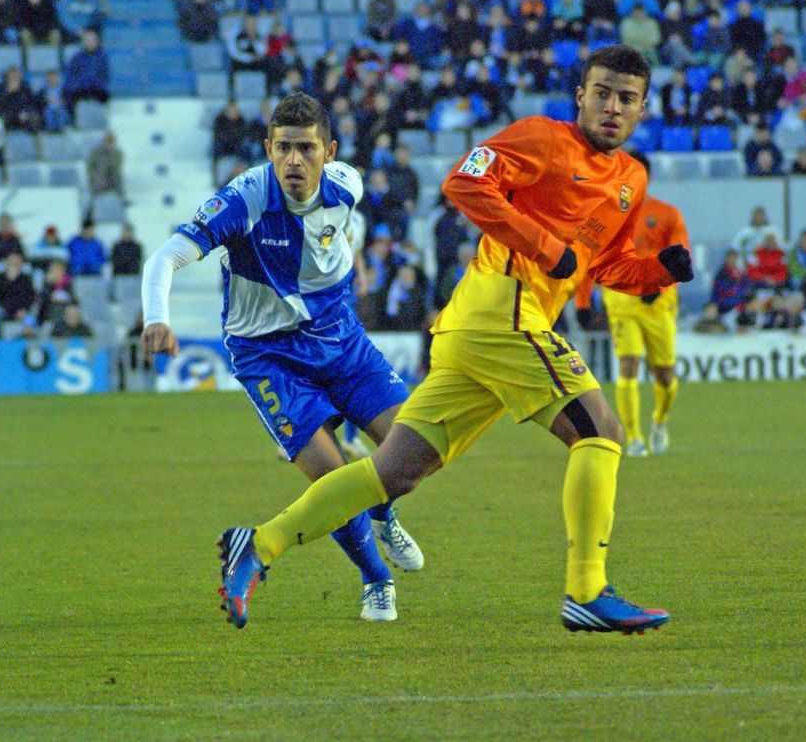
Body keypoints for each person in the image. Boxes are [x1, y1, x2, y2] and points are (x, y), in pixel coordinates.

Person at [215, 46, 694, 633]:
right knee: (602, 430)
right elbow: (463, 182)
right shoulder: (544, 139)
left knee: (394, 473)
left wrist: (659, 272)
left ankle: (257, 546)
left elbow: (600, 264)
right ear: (580, 95)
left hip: (487, 332)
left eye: (626, 98)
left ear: (644, 109)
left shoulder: (630, 179)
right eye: (602, 93)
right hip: (503, 308)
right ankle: (587, 591)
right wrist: (545, 246)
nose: (612, 107)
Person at [142, 93, 426, 623]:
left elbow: (339, 235)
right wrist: (157, 316)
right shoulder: (245, 199)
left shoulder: (348, 185)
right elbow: (166, 256)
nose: (294, 161)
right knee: (329, 476)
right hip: (268, 355)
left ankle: (383, 511)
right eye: (284, 149)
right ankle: (376, 579)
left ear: (329, 152)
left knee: (414, 444)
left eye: (307, 149)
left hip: (341, 339)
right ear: (268, 149)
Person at [574, 149, 687, 457]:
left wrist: (659, 283)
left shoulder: (667, 214)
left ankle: (660, 421)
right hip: (622, 299)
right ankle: (634, 437)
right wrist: (582, 302)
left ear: (646, 177)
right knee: (628, 365)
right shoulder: (605, 216)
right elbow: (588, 257)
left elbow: (682, 259)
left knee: (664, 374)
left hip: (658, 303)